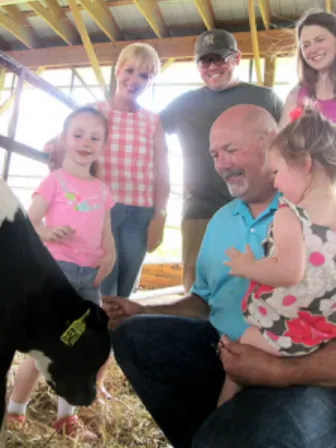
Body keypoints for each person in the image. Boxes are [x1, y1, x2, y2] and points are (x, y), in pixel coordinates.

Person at [103, 104, 336, 448]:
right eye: (214, 154)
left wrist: (279, 372)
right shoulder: (222, 219)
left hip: (302, 368)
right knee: (135, 335)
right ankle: (204, 435)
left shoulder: (319, 219)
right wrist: (143, 310)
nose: (221, 164)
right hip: (226, 352)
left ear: (271, 143)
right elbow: (204, 300)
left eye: (231, 149)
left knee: (275, 433)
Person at [8, 106, 115, 442]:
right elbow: (29, 225)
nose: (86, 142)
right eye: (78, 134)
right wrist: (47, 230)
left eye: (95, 137)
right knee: (47, 349)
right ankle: (14, 409)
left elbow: (106, 233)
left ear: (103, 145)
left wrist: (110, 255)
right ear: (65, 139)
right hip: (58, 275)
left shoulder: (101, 189)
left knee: (78, 347)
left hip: (88, 279)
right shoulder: (54, 181)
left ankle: (66, 418)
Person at [217, 105, 336, 405]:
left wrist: (249, 266)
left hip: (288, 330)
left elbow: (288, 273)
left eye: (278, 172)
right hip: (324, 332)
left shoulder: (290, 215)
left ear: (305, 163)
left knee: (241, 347)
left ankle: (222, 408)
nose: (275, 182)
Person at [160, 29, 284, 294]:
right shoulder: (183, 104)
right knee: (195, 287)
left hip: (260, 207)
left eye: (220, 59)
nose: (213, 67)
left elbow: (289, 145)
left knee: (262, 282)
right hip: (200, 208)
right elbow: (142, 129)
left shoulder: (266, 99)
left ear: (237, 58)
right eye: (205, 61)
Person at [45, 42, 170, 299]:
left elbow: (162, 171)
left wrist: (159, 216)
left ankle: (118, 334)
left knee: (126, 285)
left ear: (150, 82)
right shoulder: (95, 111)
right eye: (130, 71)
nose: (134, 80)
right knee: (102, 282)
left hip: (139, 214)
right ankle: (100, 333)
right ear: (117, 70)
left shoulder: (152, 121)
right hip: (102, 212)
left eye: (144, 76)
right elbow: (67, 139)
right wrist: (53, 145)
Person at [280, 10, 336, 127]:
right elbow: (281, 143)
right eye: (306, 45)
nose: (312, 49)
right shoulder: (296, 95)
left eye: (320, 40)